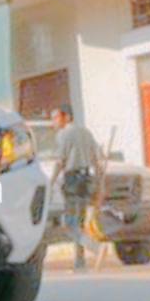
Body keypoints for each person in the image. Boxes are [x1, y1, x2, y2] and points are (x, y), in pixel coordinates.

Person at [49, 103, 103, 271]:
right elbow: (97, 161)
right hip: (86, 179)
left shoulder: (64, 134)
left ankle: (95, 247)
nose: (53, 122)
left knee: (70, 224)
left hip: (72, 180)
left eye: (56, 117)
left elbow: (60, 161)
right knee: (79, 222)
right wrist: (99, 185)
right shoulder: (86, 133)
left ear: (66, 117)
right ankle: (80, 262)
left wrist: (51, 182)